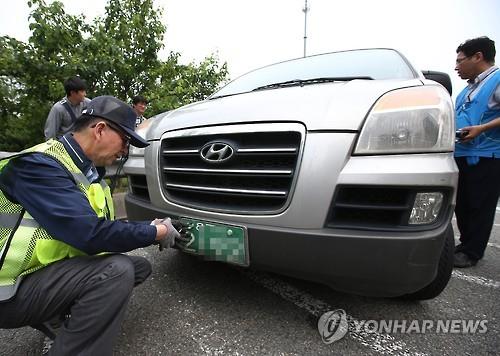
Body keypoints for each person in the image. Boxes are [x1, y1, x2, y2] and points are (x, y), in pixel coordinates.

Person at [0, 96, 183, 354]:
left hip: (39, 273)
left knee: (137, 267)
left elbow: (98, 231)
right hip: (9, 289)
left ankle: (54, 316)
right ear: (99, 130)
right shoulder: (39, 165)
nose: (125, 150)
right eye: (125, 140)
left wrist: (148, 228)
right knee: (116, 271)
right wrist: (156, 231)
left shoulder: (87, 172)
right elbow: (90, 234)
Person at [453, 36, 500, 268]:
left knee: (479, 205)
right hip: (462, 153)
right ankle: (465, 245)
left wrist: (482, 128)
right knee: (462, 204)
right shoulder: (468, 89)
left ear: (478, 57)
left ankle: (472, 252)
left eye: (460, 60)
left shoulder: (497, 79)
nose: (456, 66)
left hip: (487, 155)